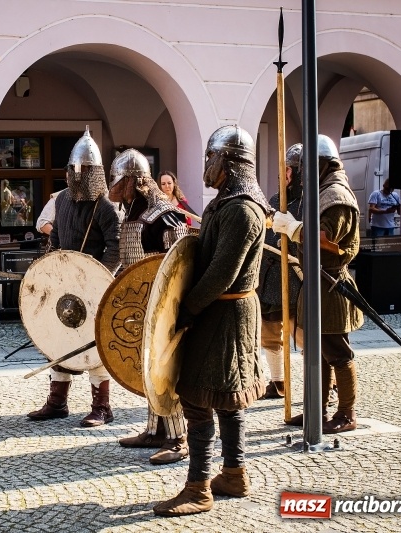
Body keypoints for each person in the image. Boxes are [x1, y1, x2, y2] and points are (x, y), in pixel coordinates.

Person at [154, 125, 270, 517]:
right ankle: (234, 474)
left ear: (230, 161)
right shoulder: (229, 201)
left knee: (199, 397)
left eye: (211, 157)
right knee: (226, 397)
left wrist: (186, 310)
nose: (207, 164)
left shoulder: (241, 209)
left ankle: (198, 488)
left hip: (223, 313)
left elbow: (221, 271)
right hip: (222, 311)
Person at [27, 127, 121, 427]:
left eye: (84, 169)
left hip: (92, 286)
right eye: (73, 169)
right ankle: (57, 403)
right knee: (57, 338)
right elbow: (56, 237)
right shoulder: (63, 200)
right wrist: (51, 266)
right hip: (63, 282)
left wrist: (97, 278)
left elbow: (115, 247)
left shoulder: (105, 206)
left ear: (95, 172)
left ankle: (102, 406)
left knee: (92, 344)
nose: (77, 174)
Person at [272, 135, 363, 434]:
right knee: (317, 350)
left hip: (332, 284)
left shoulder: (337, 196)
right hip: (317, 282)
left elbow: (329, 242)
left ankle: (347, 413)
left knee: (337, 351)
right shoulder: (323, 190)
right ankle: (317, 410)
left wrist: (297, 230)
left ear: (323, 164)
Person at [107, 149, 191, 465]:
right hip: (140, 304)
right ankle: (156, 430)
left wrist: (175, 309)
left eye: (123, 181)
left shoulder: (163, 214)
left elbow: (179, 262)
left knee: (169, 370)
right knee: (149, 369)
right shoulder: (133, 212)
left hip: (166, 305)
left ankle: (180, 438)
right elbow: (132, 263)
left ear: (135, 181)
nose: (119, 188)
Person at [257, 144, 304, 399]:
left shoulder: (310, 202)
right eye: (283, 169)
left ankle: (323, 387)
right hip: (271, 278)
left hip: (297, 279)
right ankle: (278, 383)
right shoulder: (276, 199)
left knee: (305, 335)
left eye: (288, 170)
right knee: (270, 334)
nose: (283, 174)